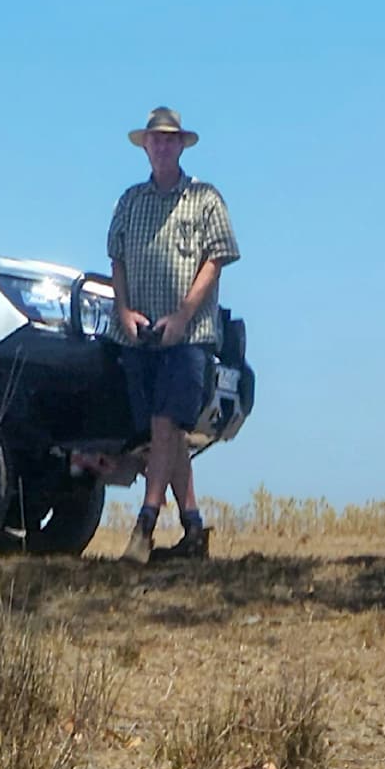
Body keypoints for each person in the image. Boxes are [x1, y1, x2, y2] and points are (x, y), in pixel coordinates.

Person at [104, 105, 236, 562]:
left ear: (182, 145)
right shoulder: (130, 201)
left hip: (190, 334)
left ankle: (144, 526)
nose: (162, 146)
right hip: (138, 335)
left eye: (169, 139)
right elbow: (116, 258)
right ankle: (194, 529)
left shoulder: (205, 199)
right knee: (164, 432)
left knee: (167, 422)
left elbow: (216, 259)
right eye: (155, 140)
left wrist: (182, 316)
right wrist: (123, 310)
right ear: (146, 147)